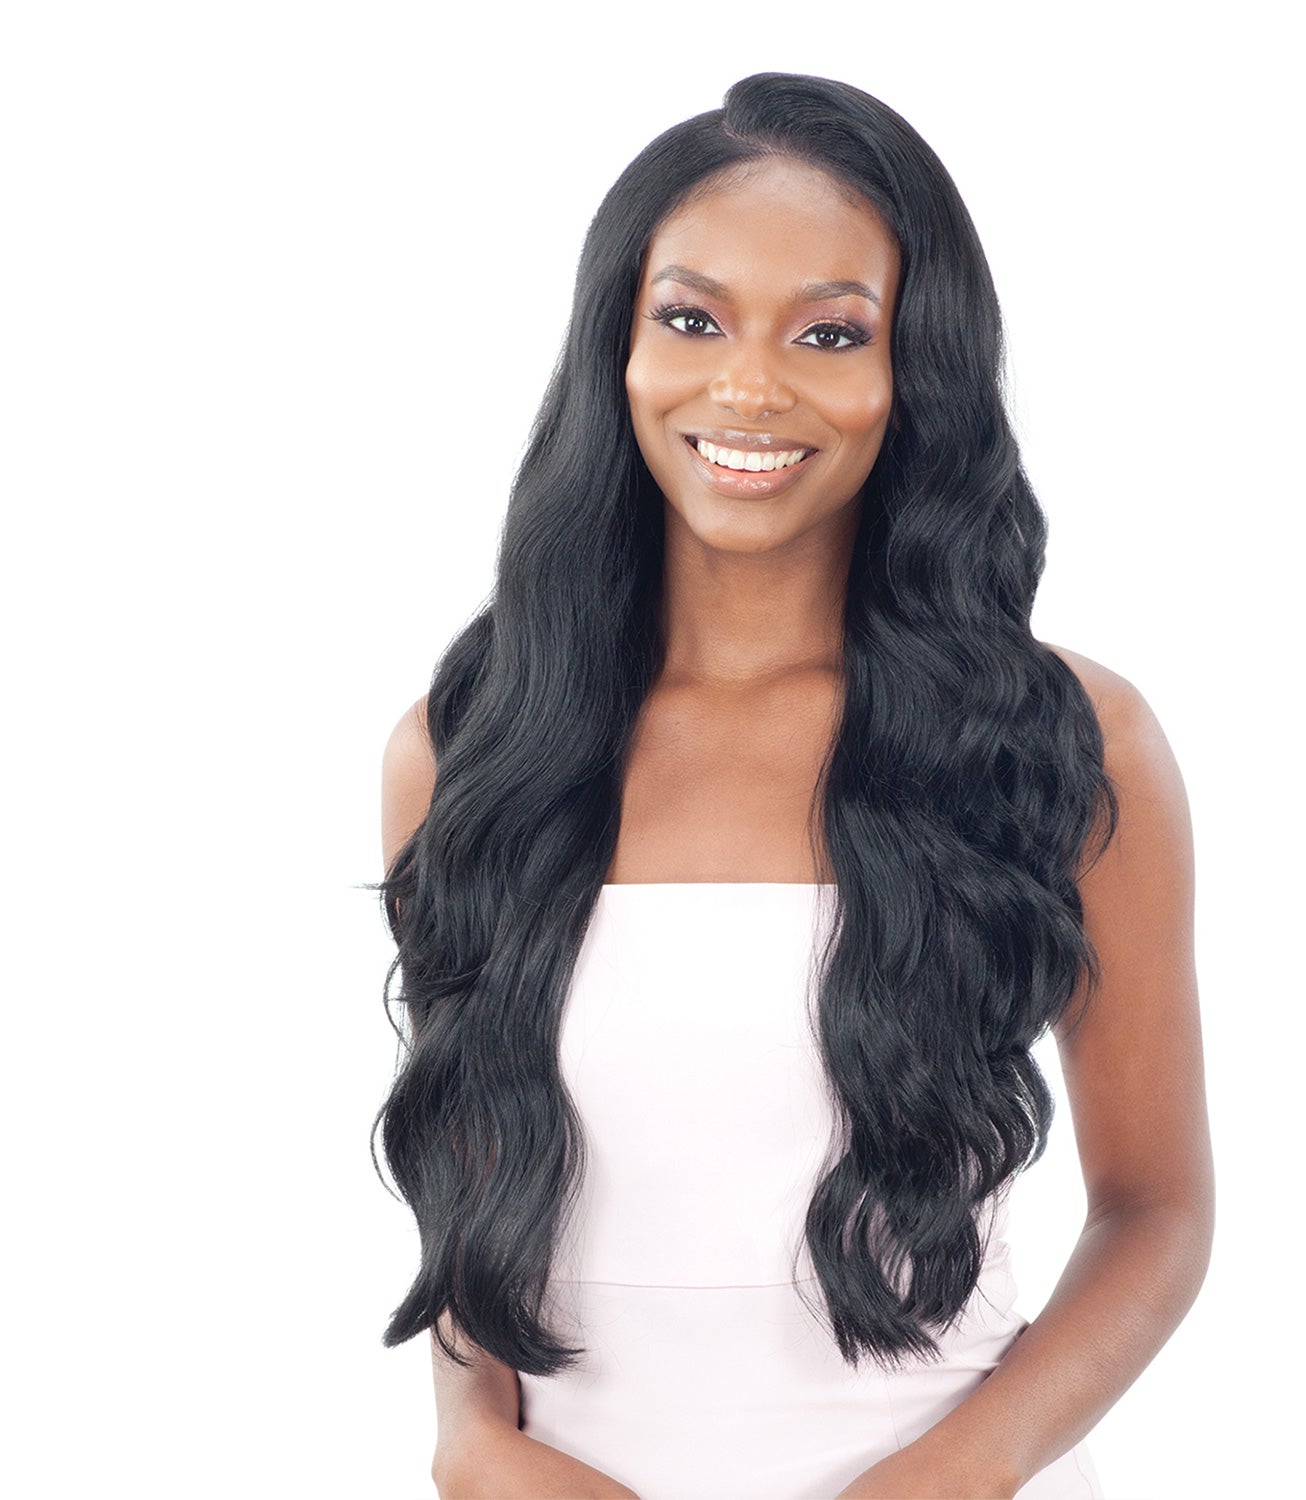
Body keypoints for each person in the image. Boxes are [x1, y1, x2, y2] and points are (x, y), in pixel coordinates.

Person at [376, 72, 1212, 1500]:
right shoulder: (472, 750)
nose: (749, 388)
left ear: (914, 371)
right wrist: (467, 1439)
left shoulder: (1064, 744)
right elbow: (472, 1183)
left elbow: (1156, 1211)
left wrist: (961, 1471)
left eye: (830, 333)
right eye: (692, 320)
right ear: (617, 346)